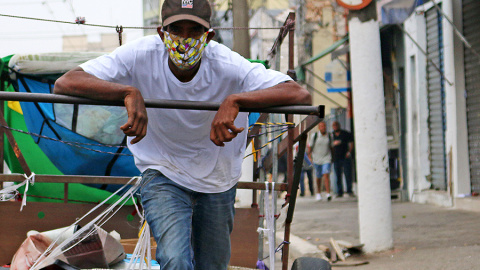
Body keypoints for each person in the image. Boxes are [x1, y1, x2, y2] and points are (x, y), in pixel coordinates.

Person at [53, 0, 311, 269]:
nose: (185, 39)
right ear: (161, 33)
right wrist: (127, 92)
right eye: (176, 29)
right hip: (163, 170)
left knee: (212, 265)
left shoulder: (228, 63)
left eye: (194, 31)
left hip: (217, 178)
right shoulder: (140, 54)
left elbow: (299, 93)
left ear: (208, 36)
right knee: (175, 259)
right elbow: (66, 82)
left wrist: (236, 101)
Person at [309, 121, 332, 201]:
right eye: (321, 126)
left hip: (326, 158)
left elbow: (331, 147)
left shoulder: (329, 136)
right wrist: (310, 158)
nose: (323, 128)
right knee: (318, 177)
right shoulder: (314, 136)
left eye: (324, 126)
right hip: (317, 159)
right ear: (319, 128)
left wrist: (332, 157)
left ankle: (328, 193)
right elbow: (310, 147)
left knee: (326, 174)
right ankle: (318, 193)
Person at [331, 121, 354, 198]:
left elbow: (351, 142)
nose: (335, 127)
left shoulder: (345, 133)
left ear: (339, 126)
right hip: (336, 158)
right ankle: (339, 191)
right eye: (334, 125)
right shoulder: (331, 135)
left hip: (345, 156)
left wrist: (349, 152)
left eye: (336, 125)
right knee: (338, 175)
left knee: (348, 174)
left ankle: (349, 190)